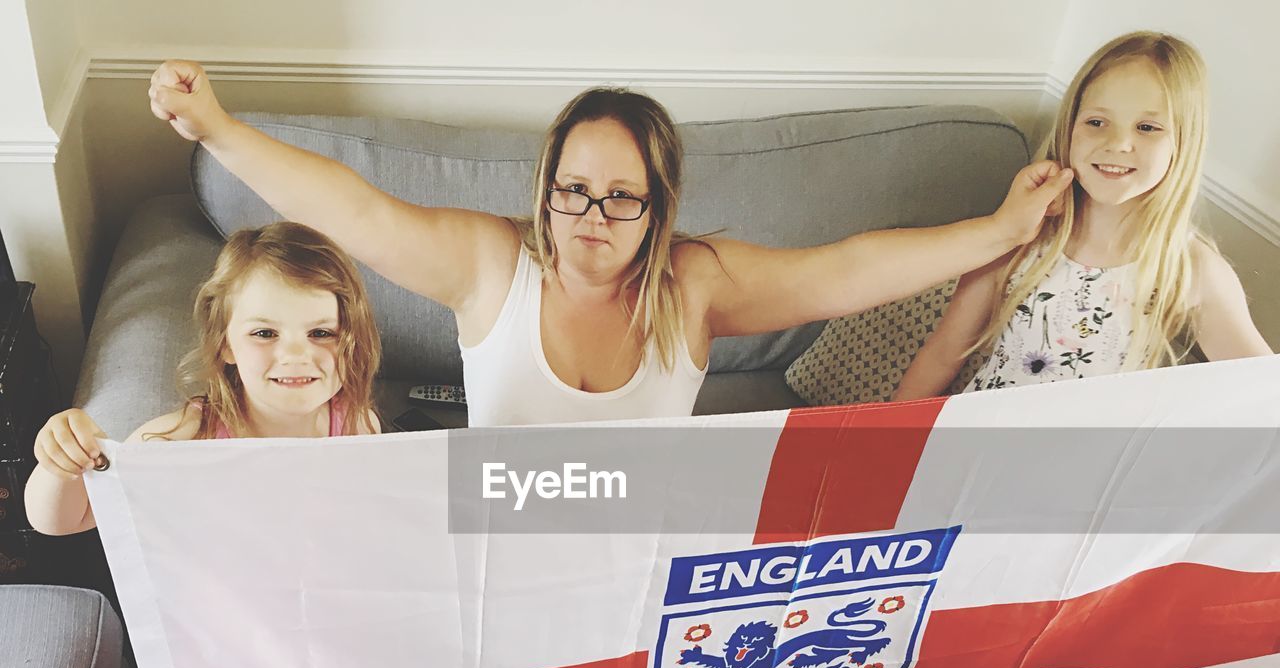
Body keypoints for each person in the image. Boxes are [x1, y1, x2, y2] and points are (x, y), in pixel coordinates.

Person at [148, 62, 1074, 426]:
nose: (593, 214)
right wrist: (218, 129)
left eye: (623, 197)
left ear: (658, 205)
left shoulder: (695, 284)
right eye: (574, 190)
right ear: (546, 191)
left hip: (642, 559)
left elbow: (847, 273)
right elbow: (355, 214)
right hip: (499, 550)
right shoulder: (489, 263)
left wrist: (997, 233)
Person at [894, 31, 1271, 399]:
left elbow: (1263, 393)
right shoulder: (1022, 233)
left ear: (1183, 143)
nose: (1118, 143)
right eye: (1096, 122)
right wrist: (877, 444)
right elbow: (944, 353)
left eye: (1147, 127)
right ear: (1071, 127)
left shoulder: (1192, 269)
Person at [24, 221, 382, 537]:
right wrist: (61, 464)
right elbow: (66, 521)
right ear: (225, 344)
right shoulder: (182, 439)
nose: (295, 355)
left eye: (320, 333)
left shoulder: (358, 426)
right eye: (264, 333)